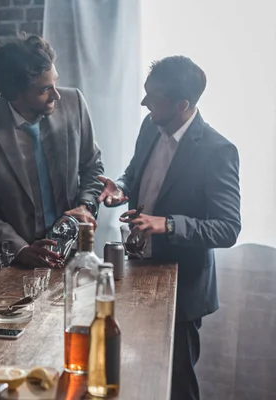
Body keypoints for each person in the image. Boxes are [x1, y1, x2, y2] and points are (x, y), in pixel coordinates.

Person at [98, 56, 241, 400]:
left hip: (182, 290)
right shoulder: (150, 125)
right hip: (135, 274)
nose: (144, 103)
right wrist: (120, 188)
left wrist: (168, 224)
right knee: (134, 376)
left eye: (153, 97)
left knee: (176, 385)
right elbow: (134, 173)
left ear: (183, 104)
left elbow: (227, 228)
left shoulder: (218, 150)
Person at [0, 35, 104, 268]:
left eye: (55, 82)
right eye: (45, 89)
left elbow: (92, 167)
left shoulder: (74, 102)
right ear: (15, 92)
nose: (56, 95)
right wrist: (20, 249)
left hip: (73, 257)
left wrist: (86, 206)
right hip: (7, 263)